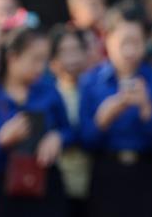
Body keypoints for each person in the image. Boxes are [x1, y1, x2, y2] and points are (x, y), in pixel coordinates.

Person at [0, 28, 71, 217]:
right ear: (12, 57)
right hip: (4, 187)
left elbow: (69, 130)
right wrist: (0, 140)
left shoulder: (48, 90)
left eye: (44, 60)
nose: (40, 67)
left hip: (46, 183)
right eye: (35, 59)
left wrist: (57, 137)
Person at [78, 6, 152, 217]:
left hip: (146, 174)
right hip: (106, 173)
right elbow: (85, 140)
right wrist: (104, 117)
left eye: (136, 43)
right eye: (123, 43)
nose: (130, 51)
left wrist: (147, 108)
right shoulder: (91, 82)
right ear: (107, 39)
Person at [48, 26, 92, 216]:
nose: (71, 58)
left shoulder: (94, 89)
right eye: (64, 51)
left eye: (76, 50)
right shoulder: (47, 94)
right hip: (58, 184)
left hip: (92, 180)